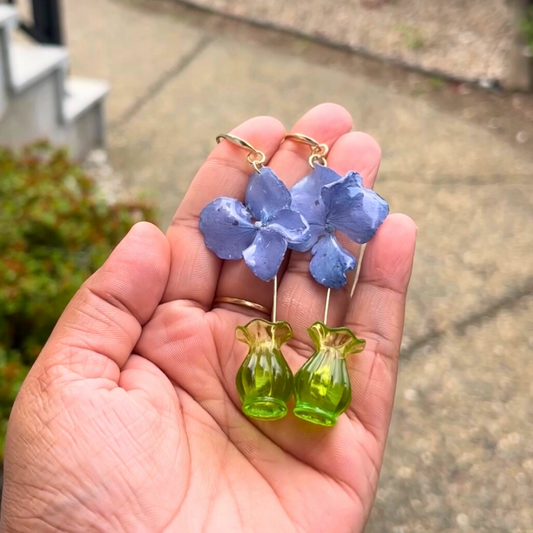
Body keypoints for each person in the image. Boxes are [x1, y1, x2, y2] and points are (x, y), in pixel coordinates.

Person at [0, 104, 416, 533]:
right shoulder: (276, 226)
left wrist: (308, 226)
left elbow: (298, 227)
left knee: (315, 351)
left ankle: (312, 399)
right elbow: (288, 227)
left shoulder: (305, 227)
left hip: (315, 256)